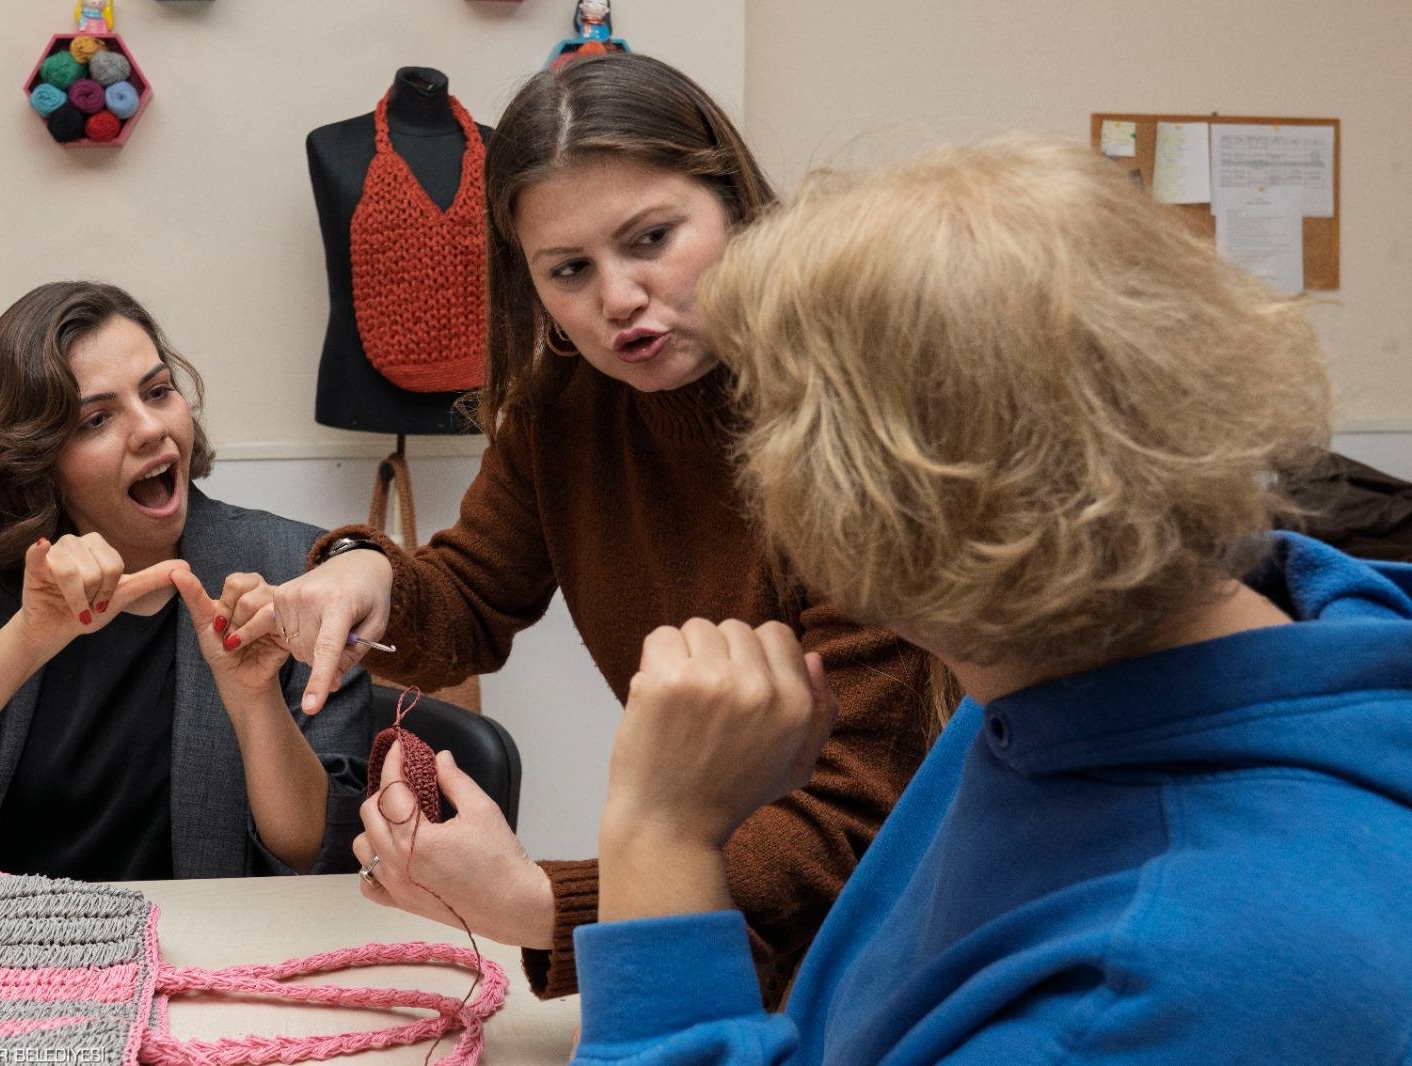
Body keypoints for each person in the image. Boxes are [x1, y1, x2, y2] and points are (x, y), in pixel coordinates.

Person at [568, 138, 1412, 1063]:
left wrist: (663, 833)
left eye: (769, 421)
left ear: (891, 510)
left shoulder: (1158, 981)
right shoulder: (1079, 664)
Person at [273, 53, 942, 1004]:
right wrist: (363, 574)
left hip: (892, 957)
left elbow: (860, 815)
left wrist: (549, 905)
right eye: (570, 270)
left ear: (738, 207)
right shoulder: (564, 411)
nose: (619, 296)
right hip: (724, 940)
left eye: (653, 238)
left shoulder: (860, 423)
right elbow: (467, 600)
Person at [0, 282, 371, 880]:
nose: (150, 429)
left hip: (198, 949)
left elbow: (320, 849)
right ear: (37, 460)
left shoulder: (294, 567)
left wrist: (255, 700)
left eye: (159, 392)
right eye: (96, 420)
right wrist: (29, 637)